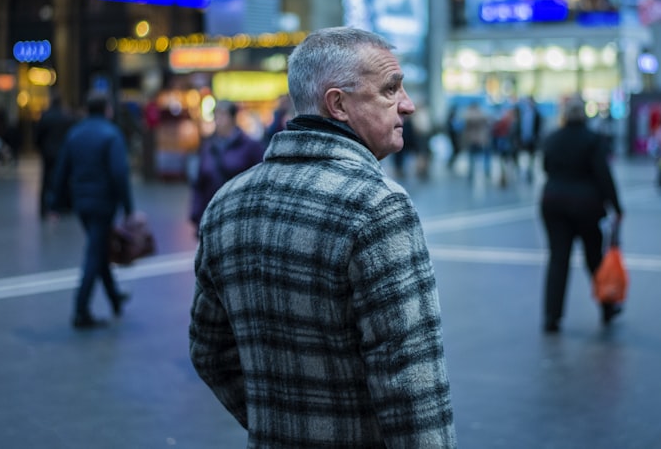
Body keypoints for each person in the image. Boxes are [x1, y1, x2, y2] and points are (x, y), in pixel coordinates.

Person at [189, 27, 456, 447]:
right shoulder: (378, 206)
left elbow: (209, 351)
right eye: (390, 89)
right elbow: (412, 384)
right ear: (339, 104)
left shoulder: (227, 203)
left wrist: (278, 422)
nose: (407, 104)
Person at [48, 91, 134, 330]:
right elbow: (120, 174)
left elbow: (62, 170)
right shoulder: (111, 134)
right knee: (95, 254)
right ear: (107, 109)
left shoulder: (75, 134)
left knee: (99, 248)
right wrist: (128, 208)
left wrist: (55, 204)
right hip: (104, 203)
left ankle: (114, 297)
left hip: (81, 203)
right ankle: (81, 310)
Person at [540, 95, 624, 334]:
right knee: (594, 258)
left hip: (553, 203)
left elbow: (545, 166)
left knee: (558, 259)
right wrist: (616, 207)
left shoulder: (553, 138)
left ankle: (551, 316)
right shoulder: (593, 140)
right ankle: (607, 307)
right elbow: (603, 175)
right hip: (586, 205)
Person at [187, 100, 264, 226]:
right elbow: (199, 183)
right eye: (216, 116)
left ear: (233, 118)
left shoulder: (250, 146)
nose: (218, 120)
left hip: (238, 216)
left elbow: (260, 179)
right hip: (211, 215)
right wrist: (196, 214)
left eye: (222, 115)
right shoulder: (208, 146)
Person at [34, 94, 75, 217]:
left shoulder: (46, 117)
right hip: (62, 152)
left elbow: (38, 136)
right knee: (64, 178)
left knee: (46, 179)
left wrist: (40, 148)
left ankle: (44, 207)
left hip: (48, 152)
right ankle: (64, 206)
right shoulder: (65, 117)